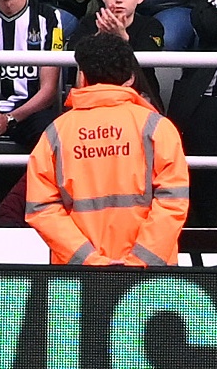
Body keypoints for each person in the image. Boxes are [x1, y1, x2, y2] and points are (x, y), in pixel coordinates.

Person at [16, 35, 186, 263]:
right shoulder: (158, 128)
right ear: (130, 79)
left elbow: (42, 208)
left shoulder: (56, 133)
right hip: (151, 280)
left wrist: (90, 260)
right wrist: (141, 260)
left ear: (82, 78)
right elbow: (173, 202)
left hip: (78, 279)